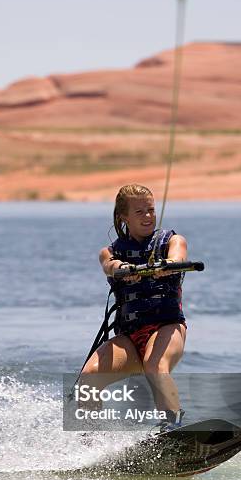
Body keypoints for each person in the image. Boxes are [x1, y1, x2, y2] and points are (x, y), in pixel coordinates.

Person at [80, 184, 188, 432]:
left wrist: (169, 265)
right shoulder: (109, 252)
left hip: (167, 328)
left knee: (155, 366)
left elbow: (179, 257)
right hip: (129, 336)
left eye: (151, 210)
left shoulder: (172, 241)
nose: (148, 216)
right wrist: (122, 270)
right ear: (123, 217)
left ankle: (171, 428)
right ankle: (89, 443)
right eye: (140, 212)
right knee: (88, 378)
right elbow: (110, 265)